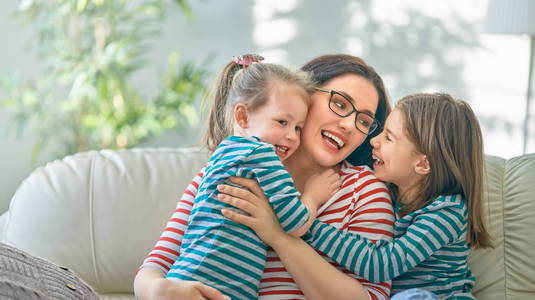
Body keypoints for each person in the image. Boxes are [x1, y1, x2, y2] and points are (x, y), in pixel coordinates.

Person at [134, 54, 395, 300]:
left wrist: (277, 235)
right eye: (340, 104)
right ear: (304, 96)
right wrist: (160, 290)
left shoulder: (365, 190)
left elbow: (372, 296)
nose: (349, 125)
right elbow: (155, 266)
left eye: (363, 121)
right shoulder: (230, 168)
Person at [219, 93, 492, 299]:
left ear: (422, 164)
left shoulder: (448, 212)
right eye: (379, 132)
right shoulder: (392, 193)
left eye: (389, 138)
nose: (373, 141)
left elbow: (381, 264)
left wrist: (303, 223)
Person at [162, 54, 341, 300]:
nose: (292, 136)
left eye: (298, 127)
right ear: (243, 117)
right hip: (213, 288)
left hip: (186, 277)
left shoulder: (223, 154)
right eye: (282, 122)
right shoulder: (261, 153)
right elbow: (296, 224)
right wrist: (313, 196)